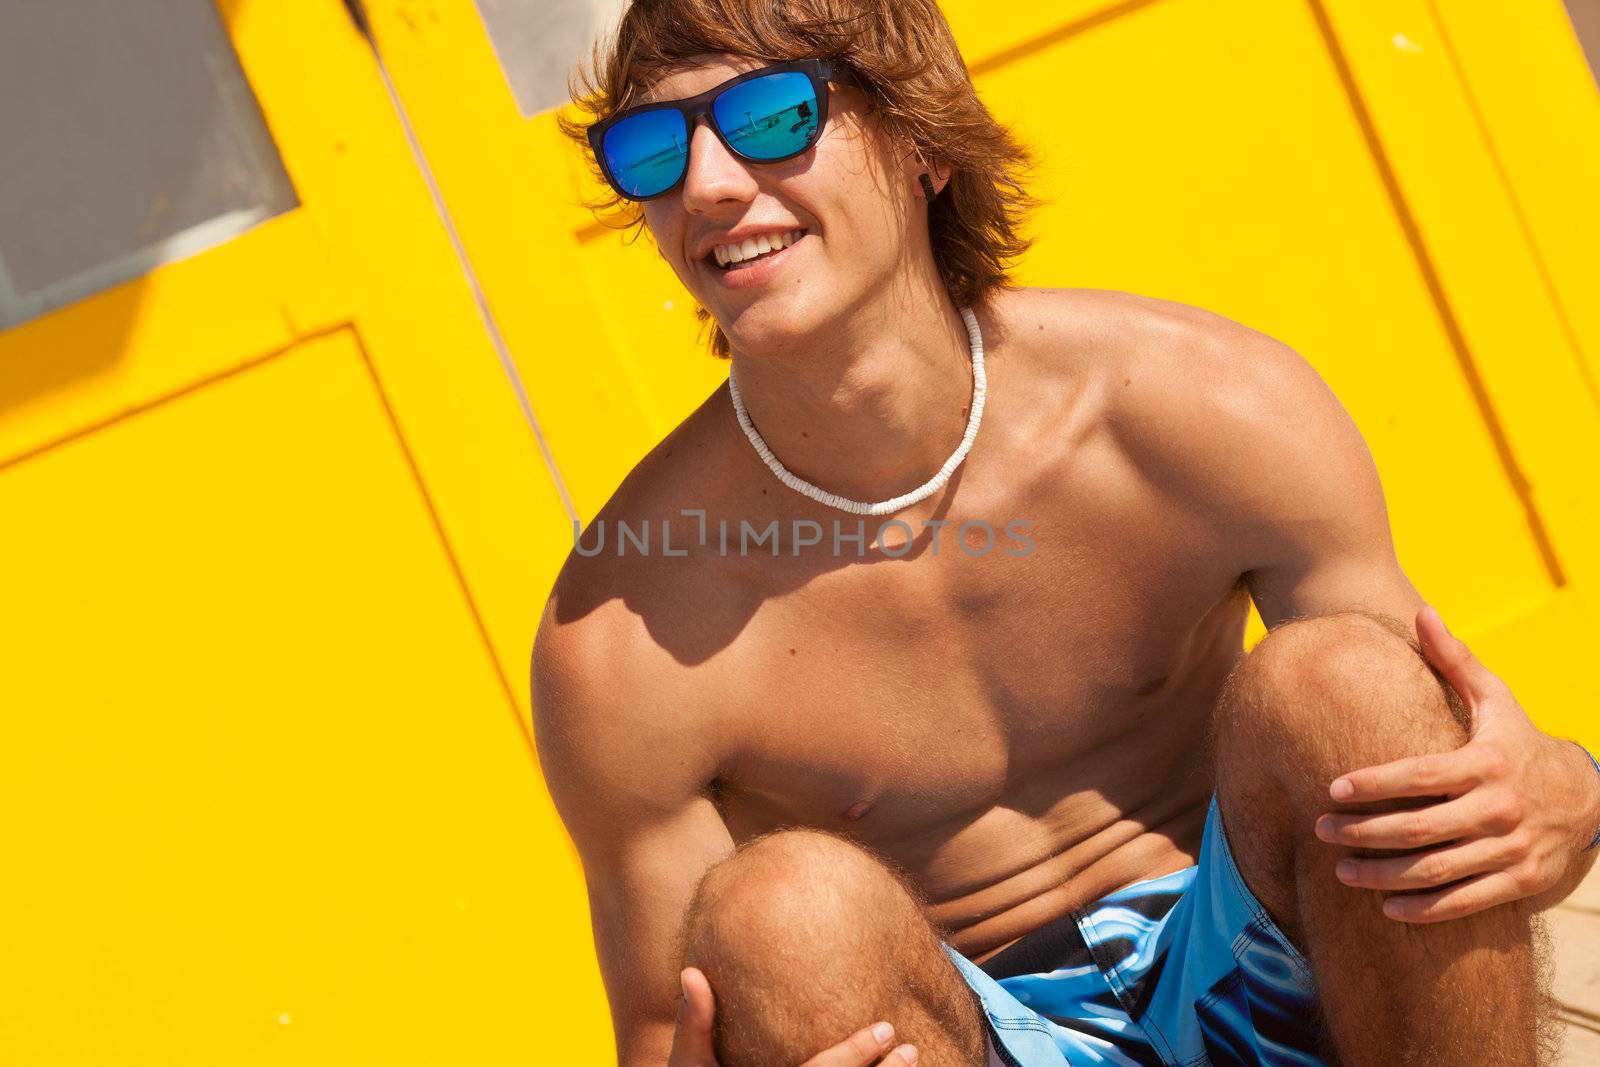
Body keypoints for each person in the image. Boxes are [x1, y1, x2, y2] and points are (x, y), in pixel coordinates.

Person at [538, 2, 1600, 1064]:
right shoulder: (626, 626)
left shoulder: (1202, 406)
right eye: (654, 148)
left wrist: (1569, 790)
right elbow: (659, 1029)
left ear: (920, 142)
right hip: (961, 1030)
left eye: (771, 115)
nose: (709, 185)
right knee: (779, 910)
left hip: (1285, 959)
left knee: (1344, 680)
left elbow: (1436, 759)